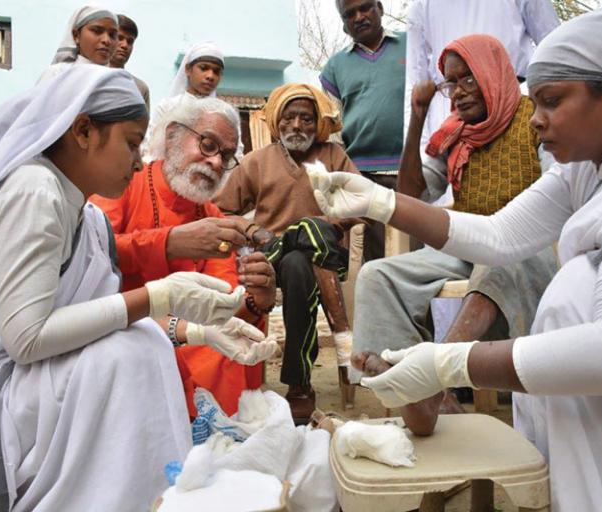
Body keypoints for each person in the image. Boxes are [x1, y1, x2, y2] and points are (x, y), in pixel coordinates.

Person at [310, 7, 602, 510]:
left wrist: (450, 362)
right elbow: (500, 231)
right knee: (380, 274)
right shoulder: (591, 168)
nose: (540, 117)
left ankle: (430, 392)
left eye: (552, 101)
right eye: (538, 102)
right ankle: (411, 399)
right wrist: (381, 202)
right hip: (601, 413)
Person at [0, 66, 276, 510]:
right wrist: (164, 292)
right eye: (130, 143)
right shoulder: (34, 191)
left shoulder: (85, 216)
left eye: (228, 154)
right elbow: (27, 338)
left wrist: (204, 331)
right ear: (83, 131)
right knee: (127, 355)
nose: (140, 159)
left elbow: (104, 313)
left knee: (146, 344)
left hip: (64, 365)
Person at [352, 34, 558, 411]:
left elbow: (558, 188)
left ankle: (434, 375)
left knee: (498, 258)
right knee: (377, 276)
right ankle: (406, 387)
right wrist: (417, 120)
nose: (457, 92)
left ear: (492, 73)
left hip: (526, 245)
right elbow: (414, 194)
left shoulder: (534, 119)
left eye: (467, 79)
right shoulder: (454, 135)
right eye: (450, 83)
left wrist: (505, 232)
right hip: (467, 243)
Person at [91, 96, 278, 417]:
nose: (217, 162)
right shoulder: (123, 184)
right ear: (173, 135)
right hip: (119, 325)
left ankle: (214, 442)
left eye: (227, 155)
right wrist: (170, 243)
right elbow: (93, 255)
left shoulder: (211, 215)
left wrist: (257, 299)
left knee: (227, 349)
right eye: (208, 145)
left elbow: (224, 301)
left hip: (190, 336)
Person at [215, 83, 361, 421]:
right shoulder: (256, 162)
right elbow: (221, 211)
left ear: (317, 124)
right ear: (278, 121)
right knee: (295, 257)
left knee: (302, 250)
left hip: (324, 258)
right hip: (272, 257)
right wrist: (253, 231)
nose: (297, 126)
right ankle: (309, 372)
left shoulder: (333, 156)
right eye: (290, 118)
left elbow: (360, 202)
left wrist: (326, 222)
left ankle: (299, 383)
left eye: (307, 119)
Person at [405, 0, 559, 150]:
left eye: (469, 79)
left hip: (516, 109)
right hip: (450, 125)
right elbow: (414, 82)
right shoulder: (420, 7)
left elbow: (554, 51)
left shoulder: (535, 122)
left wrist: (554, 109)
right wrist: (420, 146)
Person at [320, 0, 406, 261]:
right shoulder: (334, 68)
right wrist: (345, 173)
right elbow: (332, 128)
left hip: (413, 170)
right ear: (344, 24)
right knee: (376, 258)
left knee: (417, 253)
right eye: (349, 14)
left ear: (379, 8)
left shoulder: (412, 44)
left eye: (365, 8)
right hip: (363, 176)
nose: (359, 17)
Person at [144, 42, 227, 162]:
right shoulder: (167, 107)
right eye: (204, 68)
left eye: (216, 71)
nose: (210, 76)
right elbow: (151, 147)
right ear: (188, 69)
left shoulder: (223, 115)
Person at [38, 5, 118, 82]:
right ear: (76, 35)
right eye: (97, 31)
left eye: (112, 35)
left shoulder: (119, 80)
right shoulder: (56, 74)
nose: (106, 40)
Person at [110, 14, 150, 109]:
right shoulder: (91, 77)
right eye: (120, 38)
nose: (125, 45)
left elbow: (143, 123)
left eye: (130, 41)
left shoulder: (140, 88)